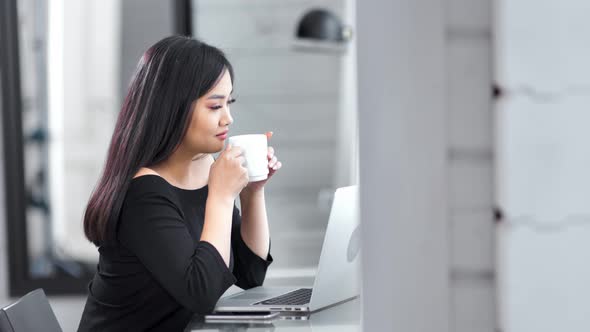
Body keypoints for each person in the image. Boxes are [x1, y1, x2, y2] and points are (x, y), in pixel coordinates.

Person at [77, 35, 281, 331]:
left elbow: (251, 274)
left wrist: (252, 192)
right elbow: (201, 293)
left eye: (229, 103)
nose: (229, 119)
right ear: (173, 108)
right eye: (215, 107)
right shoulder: (143, 194)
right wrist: (222, 197)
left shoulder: (203, 168)